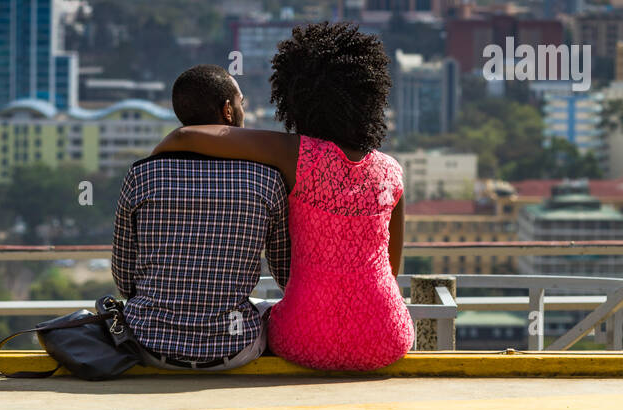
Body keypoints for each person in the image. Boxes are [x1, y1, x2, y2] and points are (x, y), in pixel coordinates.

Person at [151, 22, 413, 371]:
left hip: (303, 340)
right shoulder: (392, 172)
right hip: (385, 340)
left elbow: (188, 137)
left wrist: (154, 162)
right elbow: (390, 272)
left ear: (296, 97)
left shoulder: (295, 153)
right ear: (372, 98)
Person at [111, 65, 290, 371]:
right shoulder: (266, 179)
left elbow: (124, 279)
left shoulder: (141, 175)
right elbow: (285, 274)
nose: (243, 111)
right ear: (227, 111)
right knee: (266, 310)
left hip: (149, 345)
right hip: (233, 350)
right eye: (241, 104)